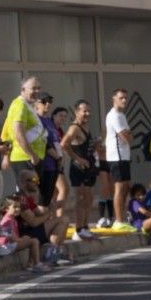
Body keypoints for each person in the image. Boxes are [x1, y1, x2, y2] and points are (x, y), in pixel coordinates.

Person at [61, 100, 99, 235]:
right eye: (84, 111)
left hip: (89, 167)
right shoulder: (74, 128)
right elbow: (64, 144)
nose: (87, 114)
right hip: (78, 169)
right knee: (81, 198)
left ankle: (85, 226)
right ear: (77, 112)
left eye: (89, 111)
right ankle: (79, 229)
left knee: (89, 198)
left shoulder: (86, 126)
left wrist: (94, 144)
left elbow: (84, 146)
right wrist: (77, 159)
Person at [4, 76, 48, 191]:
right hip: (25, 157)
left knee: (34, 194)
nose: (37, 91)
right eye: (33, 88)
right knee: (28, 194)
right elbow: (18, 133)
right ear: (23, 89)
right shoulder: (20, 105)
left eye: (39, 88)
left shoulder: (28, 105)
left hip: (33, 158)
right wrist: (31, 154)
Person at [103, 88, 136, 232]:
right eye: (121, 98)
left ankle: (122, 217)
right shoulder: (114, 116)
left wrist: (128, 135)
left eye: (125, 98)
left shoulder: (121, 115)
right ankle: (118, 220)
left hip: (124, 155)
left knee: (125, 187)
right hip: (116, 156)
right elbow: (126, 137)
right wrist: (127, 135)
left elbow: (130, 135)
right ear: (114, 99)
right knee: (119, 187)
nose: (124, 100)